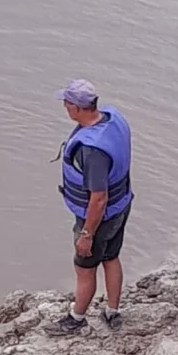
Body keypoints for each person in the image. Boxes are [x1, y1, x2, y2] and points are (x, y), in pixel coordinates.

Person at [44, 79, 133, 336]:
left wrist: (87, 234)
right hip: (121, 206)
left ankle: (77, 318)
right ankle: (113, 311)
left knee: (85, 267)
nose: (64, 106)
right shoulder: (114, 119)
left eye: (67, 103)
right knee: (111, 257)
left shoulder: (92, 151)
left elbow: (98, 198)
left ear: (78, 108)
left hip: (99, 217)